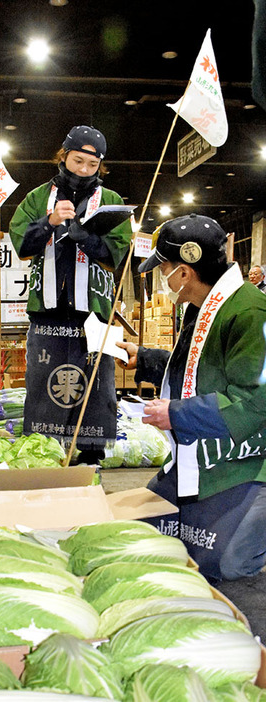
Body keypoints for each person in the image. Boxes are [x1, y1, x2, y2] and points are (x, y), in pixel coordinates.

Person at [117, 213, 266, 583]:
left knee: (221, 562)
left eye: (164, 268)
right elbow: (201, 371)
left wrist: (177, 414)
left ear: (184, 272)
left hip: (245, 458)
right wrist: (148, 358)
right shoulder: (201, 306)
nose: (162, 277)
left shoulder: (250, 312)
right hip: (198, 450)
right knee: (142, 532)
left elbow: (254, 401)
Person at [9, 125, 132, 464]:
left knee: (96, 384)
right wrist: (48, 222)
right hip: (47, 313)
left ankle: (91, 456)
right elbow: (20, 244)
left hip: (94, 313)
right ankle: (44, 452)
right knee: (43, 382)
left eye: (92, 166)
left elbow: (116, 253)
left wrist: (85, 238)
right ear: (62, 156)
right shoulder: (36, 197)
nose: (83, 170)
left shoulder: (111, 201)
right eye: (77, 161)